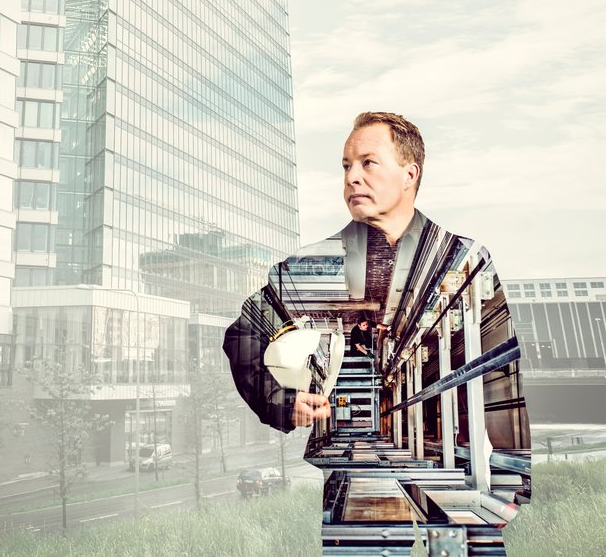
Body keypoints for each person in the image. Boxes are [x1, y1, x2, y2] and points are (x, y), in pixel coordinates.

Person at [223, 111, 530, 545]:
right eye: (346, 166)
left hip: (459, 482)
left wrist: (509, 485)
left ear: (409, 173)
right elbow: (244, 333)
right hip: (352, 482)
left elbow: (499, 372)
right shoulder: (316, 265)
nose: (352, 177)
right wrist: (281, 400)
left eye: (368, 163)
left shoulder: (464, 260)